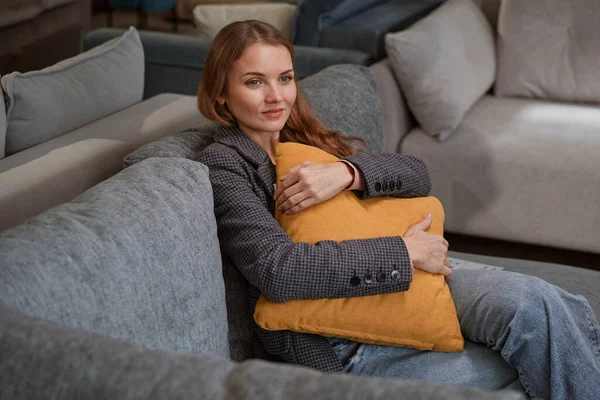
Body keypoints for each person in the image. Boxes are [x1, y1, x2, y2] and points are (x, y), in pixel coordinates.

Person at [196, 20, 600, 399]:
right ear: (221, 94)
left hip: (417, 285)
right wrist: (405, 252)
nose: (276, 96)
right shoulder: (226, 164)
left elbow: (417, 175)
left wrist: (346, 172)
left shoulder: (305, 137)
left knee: (537, 305)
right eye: (254, 82)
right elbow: (279, 271)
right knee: (543, 355)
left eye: (285, 79)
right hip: (346, 341)